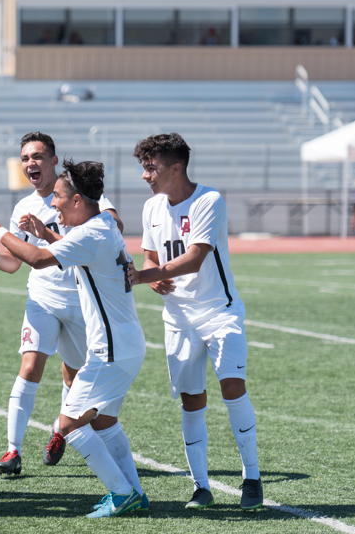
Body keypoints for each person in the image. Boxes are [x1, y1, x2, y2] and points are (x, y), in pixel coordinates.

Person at [0, 160, 147, 519]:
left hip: (109, 351)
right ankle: (135, 494)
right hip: (125, 346)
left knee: (67, 427)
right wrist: (47, 233)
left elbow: (36, 259)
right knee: (104, 422)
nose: (53, 204)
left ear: (78, 201)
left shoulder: (91, 233)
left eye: (59, 198)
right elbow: (72, 251)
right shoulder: (103, 224)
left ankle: (121, 493)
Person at [127, 133, 263, 511]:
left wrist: (141, 277)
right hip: (179, 318)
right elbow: (153, 258)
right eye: (143, 167)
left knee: (233, 388)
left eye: (151, 167)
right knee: (191, 400)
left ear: (176, 168)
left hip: (220, 312)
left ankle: (251, 477)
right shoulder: (152, 207)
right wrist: (154, 276)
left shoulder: (209, 200)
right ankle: (200, 486)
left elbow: (195, 257)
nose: (145, 175)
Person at [0, 132, 123, 476]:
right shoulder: (24, 206)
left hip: (81, 303)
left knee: (74, 374)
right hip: (42, 299)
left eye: (37, 156)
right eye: (25, 158)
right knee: (30, 366)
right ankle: (12, 450)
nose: (30, 163)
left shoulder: (84, 198)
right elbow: (13, 262)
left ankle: (59, 430)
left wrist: (48, 234)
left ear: (53, 160)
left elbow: (112, 228)